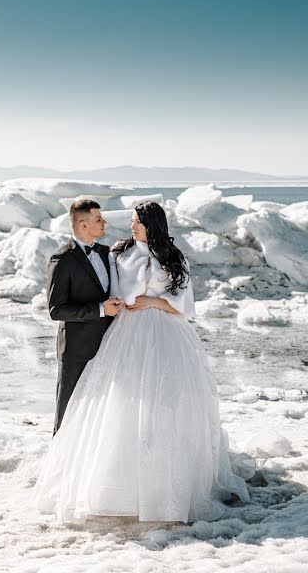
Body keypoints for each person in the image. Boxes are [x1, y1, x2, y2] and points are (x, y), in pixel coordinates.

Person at [36, 201, 250, 523]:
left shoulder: (174, 258)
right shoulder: (119, 253)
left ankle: (169, 479)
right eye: (133, 220)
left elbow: (185, 307)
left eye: (137, 221)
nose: (131, 226)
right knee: (121, 405)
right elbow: (103, 291)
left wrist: (150, 301)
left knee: (166, 401)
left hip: (167, 335)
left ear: (151, 225)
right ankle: (117, 480)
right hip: (126, 335)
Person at [46, 199, 124, 435]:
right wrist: (100, 309)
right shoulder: (62, 260)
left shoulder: (106, 253)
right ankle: (59, 466)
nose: (104, 222)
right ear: (83, 224)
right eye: (98, 219)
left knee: (103, 410)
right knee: (69, 410)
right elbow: (56, 310)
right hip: (77, 350)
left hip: (109, 345)